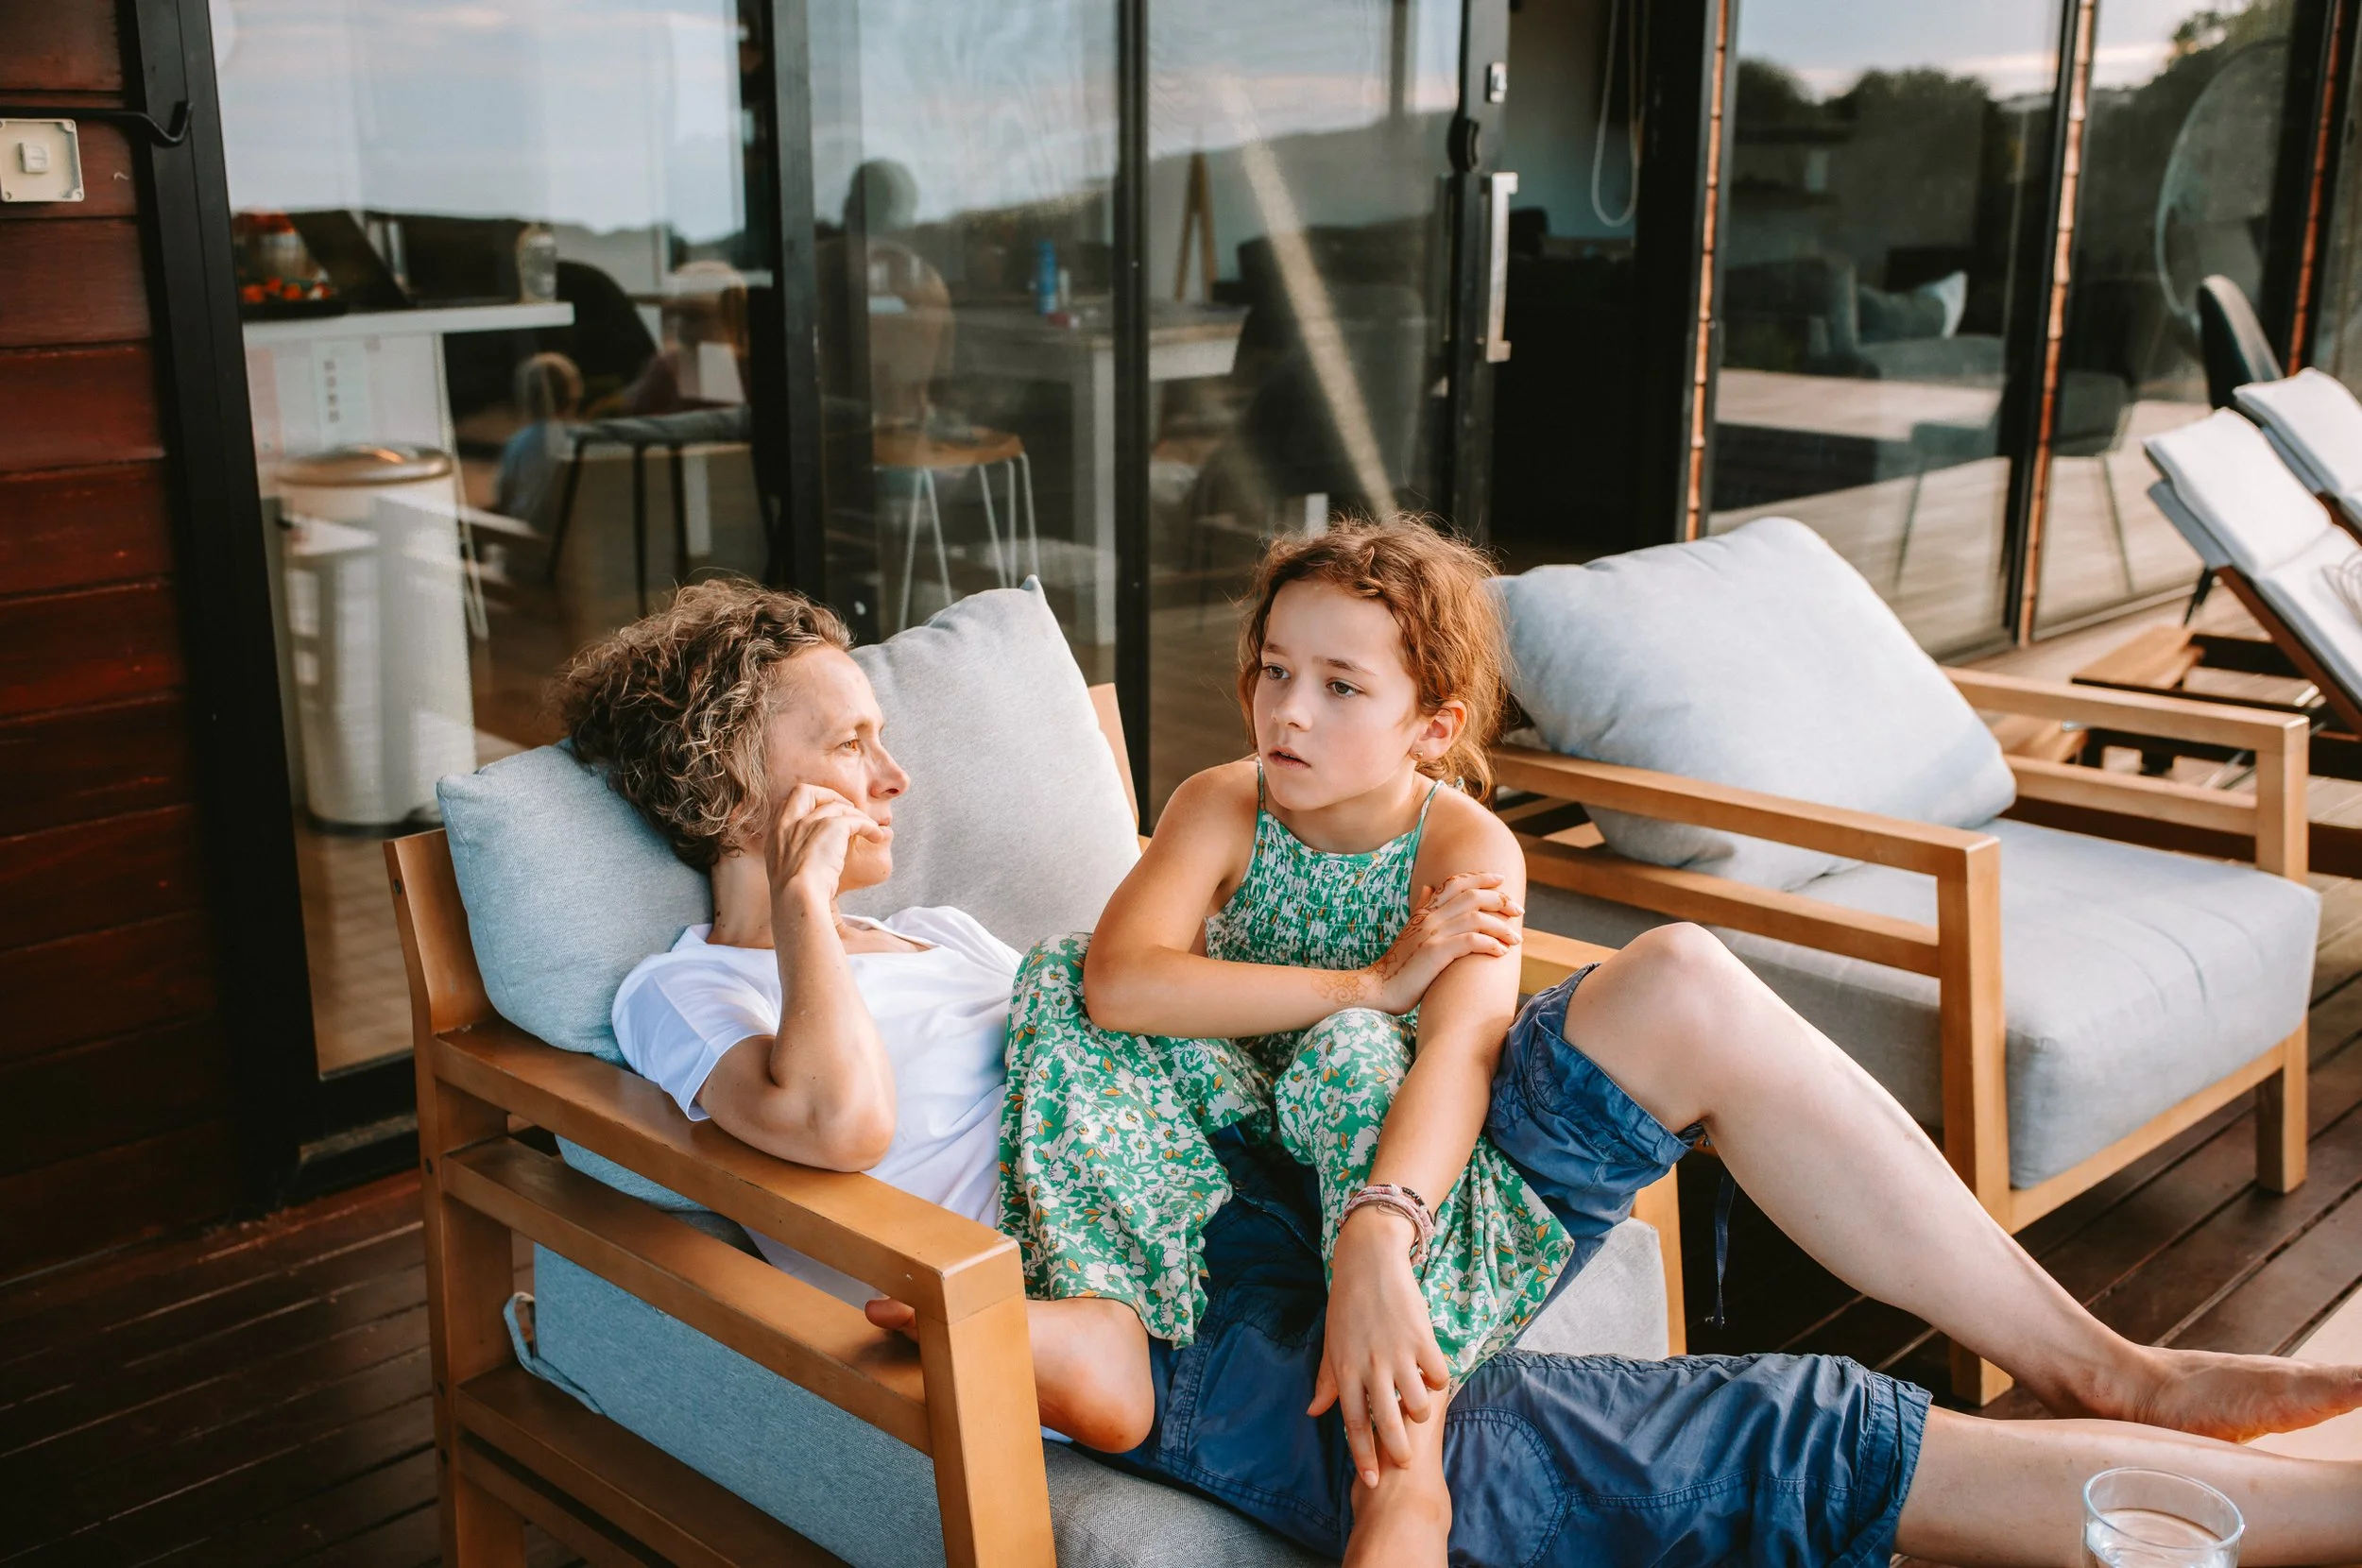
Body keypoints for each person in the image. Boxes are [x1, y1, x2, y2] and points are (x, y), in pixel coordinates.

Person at [563, 571, 2362, 1567]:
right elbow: (847, 1117)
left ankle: (2111, 1362)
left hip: (1299, 1181)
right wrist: (794, 905)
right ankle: (2291, 1515)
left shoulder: (945, 938)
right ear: (736, 785)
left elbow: (1283, 1037)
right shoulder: (687, 996)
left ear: (1426, 728)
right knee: (1780, 1422)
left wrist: (1386, 1221)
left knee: (1683, 975)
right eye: (846, 747)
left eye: (889, 743)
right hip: (1167, 1296)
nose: (889, 780)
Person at [997, 520, 1565, 1565]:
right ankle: (1102, 1306)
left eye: (1341, 687)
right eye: (1274, 670)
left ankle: (1405, 1475)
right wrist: (1373, 979)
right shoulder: (1223, 801)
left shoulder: (1463, 847)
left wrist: (1373, 1046)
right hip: (1222, 1139)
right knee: (1059, 972)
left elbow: (1457, 1055)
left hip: (1368, 1155)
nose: (1287, 712)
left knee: (1355, 1044)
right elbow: (1120, 983)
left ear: (1431, 727)